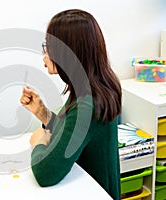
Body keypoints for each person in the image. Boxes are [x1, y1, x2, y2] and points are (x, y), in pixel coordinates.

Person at [20, 9, 121, 200]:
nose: (44, 53)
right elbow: (70, 133)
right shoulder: (93, 86)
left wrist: (38, 144)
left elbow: (45, 174)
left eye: (48, 47)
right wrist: (43, 113)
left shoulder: (88, 104)